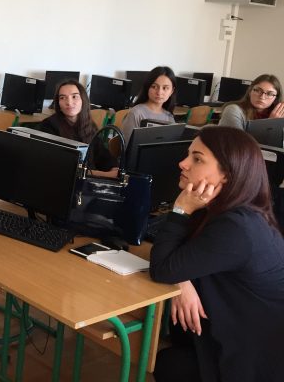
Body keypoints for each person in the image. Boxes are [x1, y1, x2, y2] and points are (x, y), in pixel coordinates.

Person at [149, 126, 284, 382]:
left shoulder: (237, 228)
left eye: (197, 159)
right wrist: (182, 281)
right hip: (237, 331)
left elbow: (161, 268)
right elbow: (177, 259)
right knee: (176, 341)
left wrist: (180, 211)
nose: (183, 163)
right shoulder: (229, 210)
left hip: (256, 358)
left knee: (168, 365)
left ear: (226, 176)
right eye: (188, 155)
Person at [39, 79, 118, 176]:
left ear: (83, 100)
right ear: (58, 103)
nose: (69, 102)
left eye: (74, 96)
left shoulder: (89, 124)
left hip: (90, 178)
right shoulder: (48, 126)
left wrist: (114, 168)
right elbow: (61, 167)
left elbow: (102, 154)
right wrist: (104, 175)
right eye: (62, 98)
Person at [120, 66, 176, 144]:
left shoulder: (169, 116)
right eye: (154, 87)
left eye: (165, 88)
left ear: (172, 91)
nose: (159, 92)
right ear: (147, 87)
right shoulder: (136, 113)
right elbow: (126, 146)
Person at [218, 73, 284, 130]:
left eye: (269, 94)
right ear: (250, 91)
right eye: (258, 90)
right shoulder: (233, 110)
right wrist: (270, 123)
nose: (262, 97)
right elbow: (236, 140)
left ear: (275, 98)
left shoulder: (279, 115)